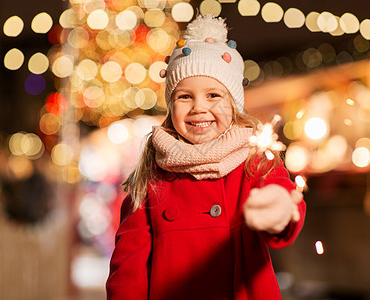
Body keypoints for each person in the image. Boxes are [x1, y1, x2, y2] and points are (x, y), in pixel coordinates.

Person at [106, 14, 306, 300]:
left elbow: (283, 198)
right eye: (184, 97)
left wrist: (281, 209)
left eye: (213, 95)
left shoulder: (255, 160)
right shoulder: (153, 175)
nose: (199, 107)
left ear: (234, 104)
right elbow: (128, 266)